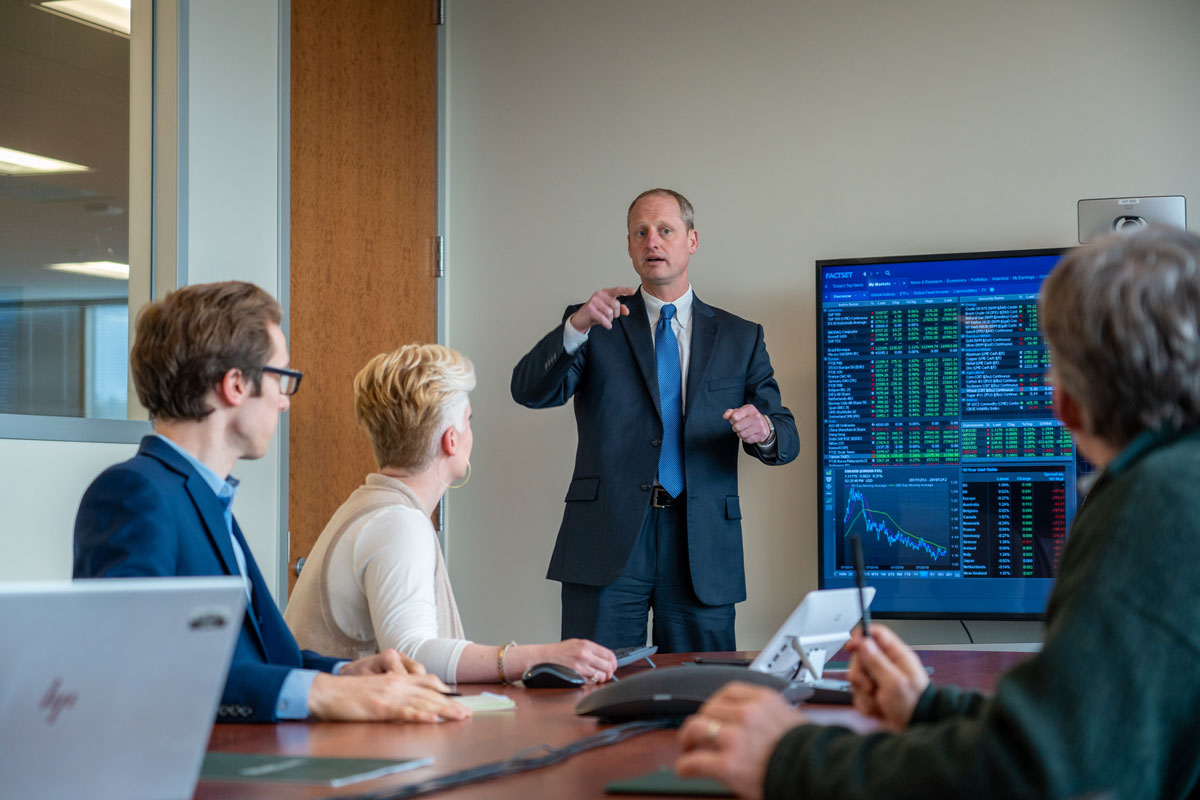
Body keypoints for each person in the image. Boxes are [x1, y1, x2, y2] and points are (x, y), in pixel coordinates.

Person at [674, 225, 1200, 799]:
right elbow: (1096, 726)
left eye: (1051, 360)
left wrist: (788, 757)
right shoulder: (1177, 480)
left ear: (1068, 397)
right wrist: (927, 707)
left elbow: (1040, 771)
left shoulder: (1155, 505)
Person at [74, 281, 468, 725]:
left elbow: (261, 657)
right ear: (236, 385)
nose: (284, 402)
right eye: (282, 379)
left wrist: (345, 672)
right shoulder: (134, 493)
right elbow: (136, 666)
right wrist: (320, 692)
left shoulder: (205, 497)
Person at [511, 189, 799, 653]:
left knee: (699, 697)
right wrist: (576, 327)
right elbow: (528, 390)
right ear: (628, 246)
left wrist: (762, 429)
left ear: (692, 240)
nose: (653, 242)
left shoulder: (740, 337)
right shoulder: (595, 324)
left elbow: (786, 436)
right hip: (607, 540)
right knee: (595, 689)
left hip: (701, 543)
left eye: (665, 230)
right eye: (640, 233)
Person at [285, 344, 619, 684]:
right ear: (451, 441)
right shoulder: (398, 524)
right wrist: (540, 656)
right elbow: (411, 654)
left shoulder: (367, 507)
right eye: (468, 420)